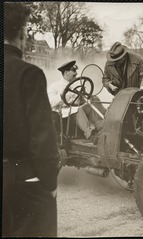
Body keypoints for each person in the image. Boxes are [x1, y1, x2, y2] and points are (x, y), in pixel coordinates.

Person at [3, 2, 60, 237]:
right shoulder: (29, 74)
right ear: (22, 34)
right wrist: (50, 182)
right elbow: (43, 140)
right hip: (23, 182)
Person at [48, 61, 107, 140]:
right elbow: (50, 102)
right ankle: (90, 133)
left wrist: (85, 97)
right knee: (77, 110)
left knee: (93, 100)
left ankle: (101, 126)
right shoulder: (54, 86)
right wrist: (61, 97)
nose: (76, 76)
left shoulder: (74, 86)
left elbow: (78, 101)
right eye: (74, 74)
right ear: (66, 73)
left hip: (75, 110)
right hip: (64, 113)